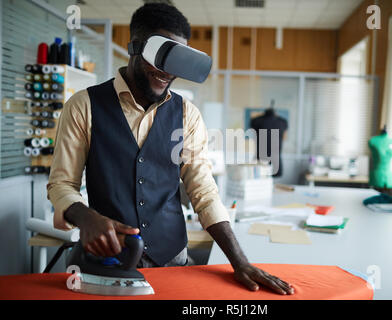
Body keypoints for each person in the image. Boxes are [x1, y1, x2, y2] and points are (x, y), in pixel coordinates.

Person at [47, 3, 294, 295]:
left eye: (176, 60)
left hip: (172, 261)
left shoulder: (187, 115)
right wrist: (85, 216)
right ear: (135, 47)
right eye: (160, 56)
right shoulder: (84, 106)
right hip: (107, 263)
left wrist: (240, 262)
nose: (167, 71)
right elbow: (62, 184)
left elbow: (203, 191)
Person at [250, 101, 288, 177]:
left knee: (261, 180)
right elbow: (284, 138)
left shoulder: (256, 121)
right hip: (271, 159)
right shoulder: (282, 122)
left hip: (262, 158)